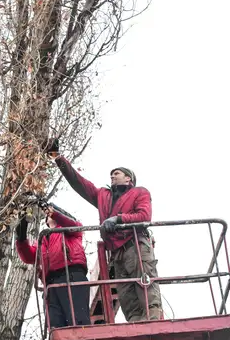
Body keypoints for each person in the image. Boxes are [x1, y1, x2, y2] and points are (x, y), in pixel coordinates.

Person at [44, 138, 163, 323]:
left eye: (116, 173)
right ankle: (135, 324)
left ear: (128, 178)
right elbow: (79, 183)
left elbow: (144, 216)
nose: (112, 176)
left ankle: (153, 322)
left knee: (145, 285)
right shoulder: (103, 196)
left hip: (136, 246)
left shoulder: (139, 192)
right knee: (127, 295)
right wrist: (58, 158)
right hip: (116, 253)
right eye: (111, 174)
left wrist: (118, 219)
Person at [15, 202, 91, 328]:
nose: (49, 215)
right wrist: (21, 236)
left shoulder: (71, 229)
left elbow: (71, 224)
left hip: (71, 275)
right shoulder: (43, 240)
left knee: (77, 319)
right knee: (55, 323)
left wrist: (53, 211)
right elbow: (28, 256)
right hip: (51, 283)